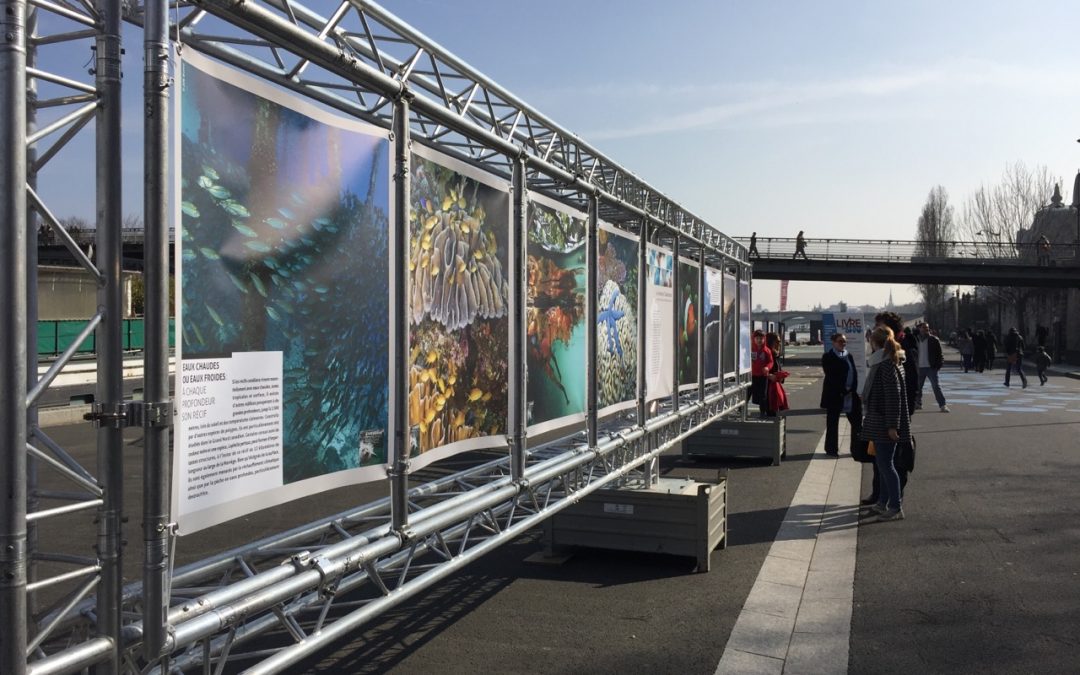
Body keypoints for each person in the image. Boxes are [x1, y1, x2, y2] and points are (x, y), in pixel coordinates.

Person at [863, 312, 916, 507]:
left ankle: (894, 505)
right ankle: (883, 501)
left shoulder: (885, 364)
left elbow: (893, 397)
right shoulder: (888, 360)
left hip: (885, 423)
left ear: (875, 344)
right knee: (883, 465)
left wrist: (893, 426)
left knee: (887, 466)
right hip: (882, 420)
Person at [820, 333, 861, 457]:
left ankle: (856, 449)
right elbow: (831, 376)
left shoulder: (849, 356)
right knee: (832, 423)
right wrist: (843, 390)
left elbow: (854, 373)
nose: (842, 343)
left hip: (850, 394)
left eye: (844, 341)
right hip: (835, 395)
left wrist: (852, 389)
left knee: (857, 423)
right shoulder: (828, 356)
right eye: (840, 341)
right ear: (833, 342)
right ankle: (831, 449)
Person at [914, 322, 949, 412]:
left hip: (931, 367)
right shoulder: (916, 340)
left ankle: (942, 405)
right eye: (924, 327)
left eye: (927, 328)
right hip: (919, 367)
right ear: (919, 329)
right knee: (918, 387)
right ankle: (918, 403)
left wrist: (939, 365)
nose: (926, 329)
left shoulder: (934, 340)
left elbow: (940, 354)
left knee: (936, 386)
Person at [749, 329, 774, 417]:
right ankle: (741, 410)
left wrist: (767, 367)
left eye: (761, 338)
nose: (759, 340)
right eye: (757, 338)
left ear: (764, 339)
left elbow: (771, 362)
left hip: (763, 376)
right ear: (753, 339)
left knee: (763, 395)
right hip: (751, 376)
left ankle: (763, 412)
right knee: (747, 393)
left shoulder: (767, 350)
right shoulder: (750, 349)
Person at [765, 332, 789, 414]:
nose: (780, 343)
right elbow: (761, 369)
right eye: (777, 341)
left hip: (774, 384)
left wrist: (780, 376)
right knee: (770, 410)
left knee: (774, 409)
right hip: (768, 387)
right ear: (771, 342)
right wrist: (769, 376)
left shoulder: (775, 354)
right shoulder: (768, 354)